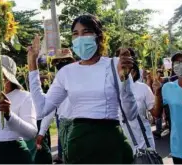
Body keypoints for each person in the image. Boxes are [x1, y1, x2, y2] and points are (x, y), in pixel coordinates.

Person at [27, 14, 138, 164]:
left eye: (86, 32)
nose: (80, 38)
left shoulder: (116, 64)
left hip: (111, 142)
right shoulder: (66, 72)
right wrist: (32, 67)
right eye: (75, 34)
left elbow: (131, 114)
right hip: (79, 143)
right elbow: (42, 109)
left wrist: (124, 81)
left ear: (98, 37)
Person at [28, 48, 75, 163]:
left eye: (65, 61)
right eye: (58, 62)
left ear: (72, 62)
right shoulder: (57, 84)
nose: (61, 65)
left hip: (82, 124)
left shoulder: (81, 79)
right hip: (64, 125)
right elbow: (47, 109)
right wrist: (41, 132)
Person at [121, 63, 156, 152]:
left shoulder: (143, 88)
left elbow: (156, 112)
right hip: (124, 141)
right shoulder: (114, 89)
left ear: (134, 72)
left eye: (126, 70)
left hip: (144, 140)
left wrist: (158, 93)